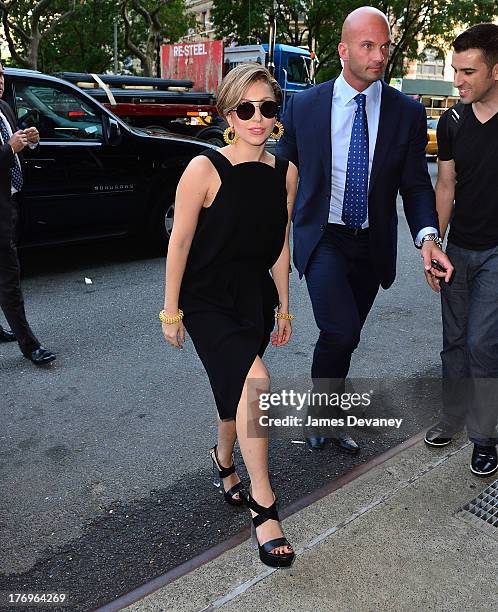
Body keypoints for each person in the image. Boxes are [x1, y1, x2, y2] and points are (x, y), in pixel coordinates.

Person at [276, 6, 453, 451]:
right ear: (343, 50)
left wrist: (428, 236)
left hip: (372, 244)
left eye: (384, 46)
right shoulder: (306, 106)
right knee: (340, 330)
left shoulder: (406, 113)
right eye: (367, 45)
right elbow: (279, 169)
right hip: (323, 237)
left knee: (346, 333)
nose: (379, 55)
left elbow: (415, 185)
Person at [161, 63, 298, 568]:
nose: (257, 118)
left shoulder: (286, 172)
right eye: (246, 108)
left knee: (234, 392)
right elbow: (179, 243)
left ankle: (224, 461)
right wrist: (170, 311)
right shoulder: (203, 169)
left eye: (267, 108)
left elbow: (280, 243)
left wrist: (284, 305)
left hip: (253, 298)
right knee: (255, 380)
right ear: (227, 113)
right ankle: (266, 508)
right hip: (207, 300)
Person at [424, 24, 498, 477]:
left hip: (497, 253)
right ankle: (452, 416)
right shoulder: (451, 121)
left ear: (496, 70)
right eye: (456, 70)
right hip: (459, 250)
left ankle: (485, 435)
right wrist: (434, 242)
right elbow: (446, 183)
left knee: (482, 343)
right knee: (453, 342)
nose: (458, 80)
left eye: (468, 71)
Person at [0, 61, 55, 366]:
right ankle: (30, 345)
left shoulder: (5, 108)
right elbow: (6, 150)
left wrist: (29, 140)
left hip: (11, 203)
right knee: (9, 277)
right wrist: (10, 148)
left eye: (1, 74)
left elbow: (14, 145)